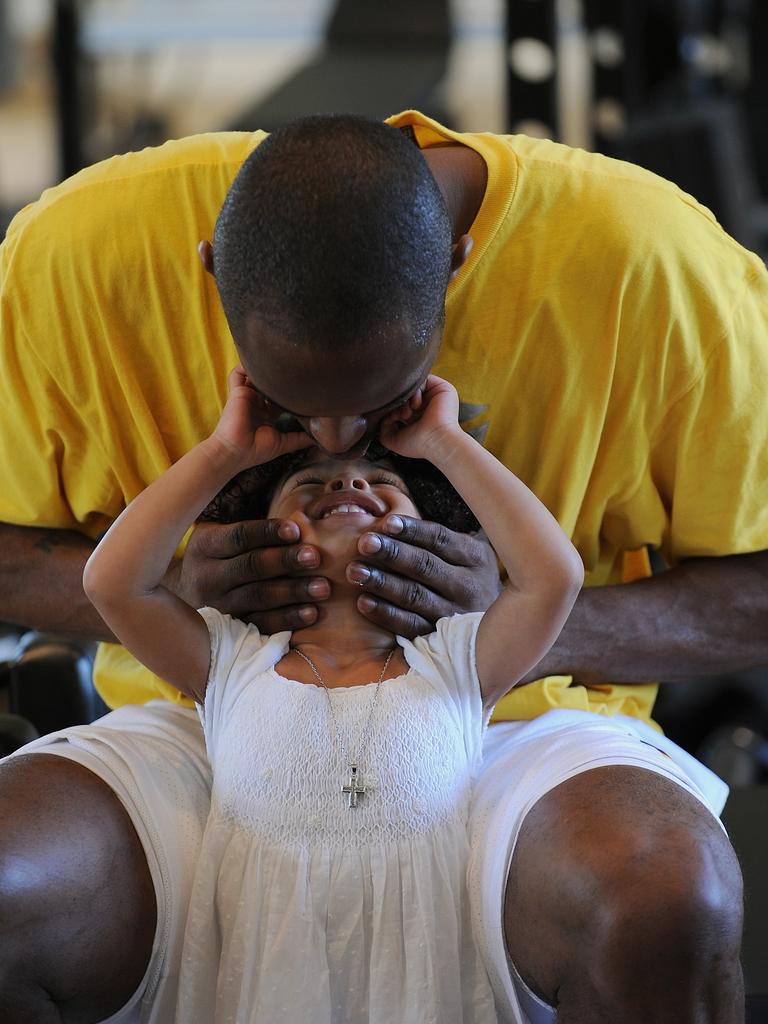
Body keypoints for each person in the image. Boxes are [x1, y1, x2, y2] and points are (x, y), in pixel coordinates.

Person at [0, 110, 763, 1022]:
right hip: (199, 733)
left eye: (381, 400)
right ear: (209, 271)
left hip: (524, 728)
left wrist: (509, 624)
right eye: (290, 405)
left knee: (670, 900)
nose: (333, 440)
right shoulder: (74, 255)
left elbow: (666, 585)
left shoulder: (658, 266)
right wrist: (181, 586)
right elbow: (94, 580)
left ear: (457, 260)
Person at [82, 366, 584, 1022]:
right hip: (264, 982)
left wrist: (445, 442)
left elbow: (554, 577)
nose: (349, 483)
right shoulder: (230, 662)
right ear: (262, 532)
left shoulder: (460, 661)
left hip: (425, 987)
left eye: (384, 485)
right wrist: (224, 452)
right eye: (309, 484)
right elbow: (112, 584)